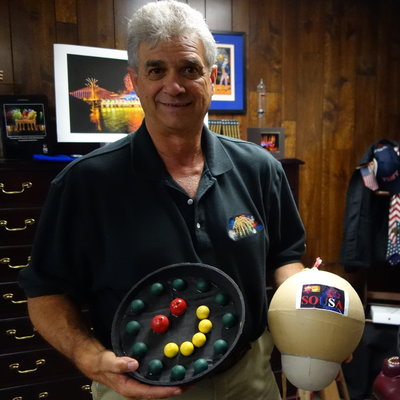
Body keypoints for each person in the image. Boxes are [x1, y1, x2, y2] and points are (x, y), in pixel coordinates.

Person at [19, 1, 306, 399]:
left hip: (249, 379)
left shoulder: (260, 168)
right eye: (157, 70)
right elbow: (45, 293)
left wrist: (310, 314)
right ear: (134, 81)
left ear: (210, 76)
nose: (174, 86)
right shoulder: (84, 183)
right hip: (137, 386)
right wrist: (88, 358)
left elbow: (285, 258)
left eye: (190, 69)